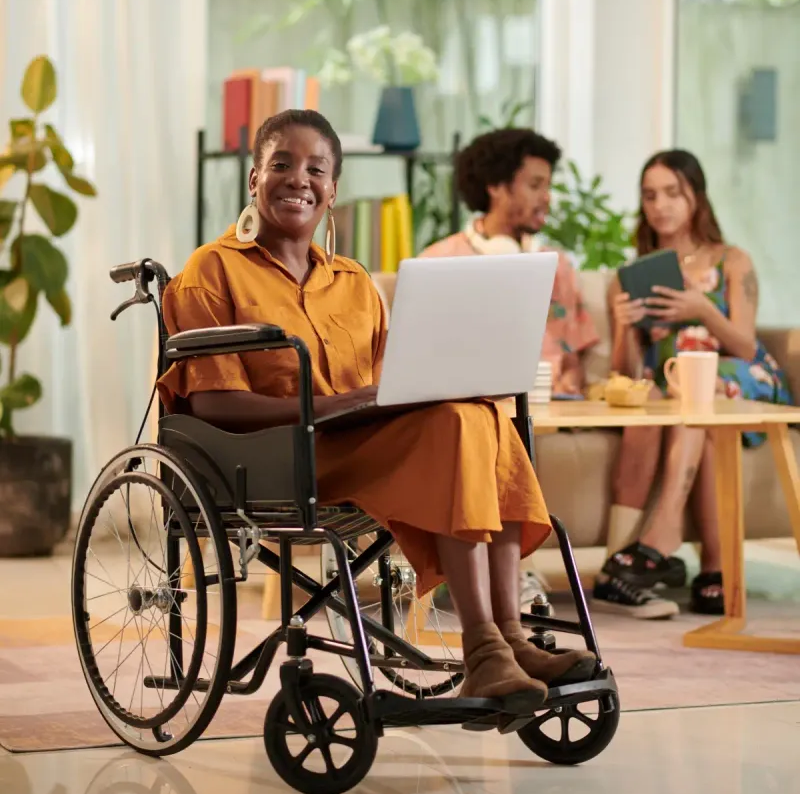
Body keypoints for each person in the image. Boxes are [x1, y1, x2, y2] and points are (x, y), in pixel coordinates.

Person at [156, 109, 596, 709]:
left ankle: (509, 640)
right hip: (277, 458)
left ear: (333, 191)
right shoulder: (211, 271)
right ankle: (484, 648)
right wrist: (340, 402)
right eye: (281, 163)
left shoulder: (355, 282)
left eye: (316, 169)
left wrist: (411, 389)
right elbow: (213, 402)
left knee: (481, 411)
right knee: (456, 423)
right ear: (253, 180)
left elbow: (391, 384)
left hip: (362, 446)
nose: (298, 179)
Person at [592, 149, 792, 619]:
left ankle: (662, 534)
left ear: (696, 197)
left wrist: (702, 309)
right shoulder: (633, 276)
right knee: (693, 404)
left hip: (743, 380)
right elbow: (629, 371)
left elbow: (744, 346)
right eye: (649, 196)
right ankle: (715, 574)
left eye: (672, 193)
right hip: (688, 392)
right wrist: (623, 325)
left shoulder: (732, 261)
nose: (660, 205)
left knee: (699, 391)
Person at [419, 128, 599, 396]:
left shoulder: (557, 265)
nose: (546, 198)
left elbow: (572, 360)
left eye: (548, 186)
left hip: (548, 409)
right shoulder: (437, 262)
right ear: (496, 187)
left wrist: (572, 380)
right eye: (535, 186)